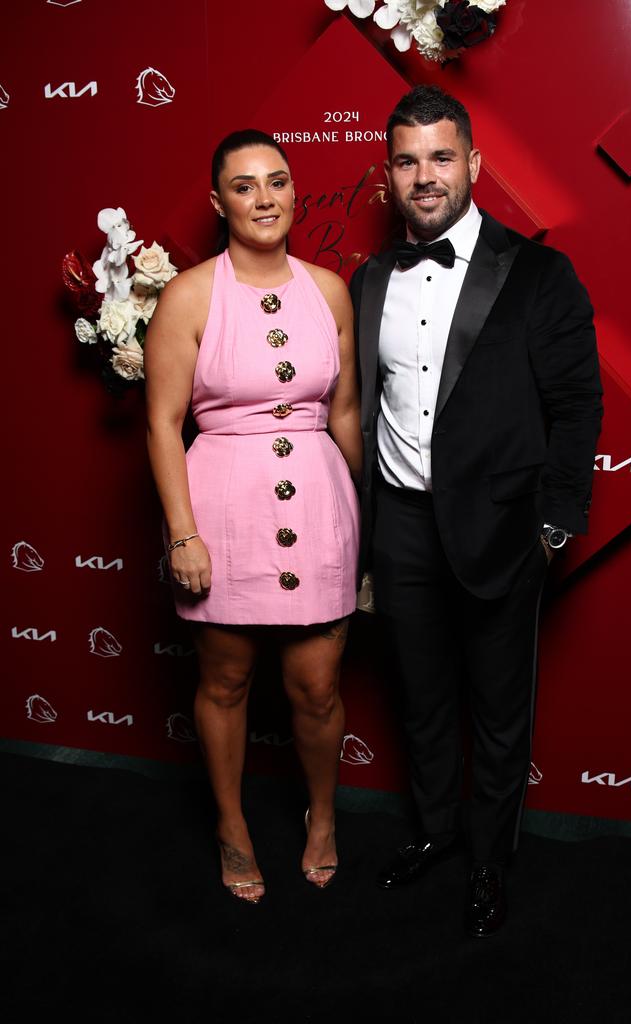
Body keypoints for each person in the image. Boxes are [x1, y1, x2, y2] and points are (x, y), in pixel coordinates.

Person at [350, 86, 602, 937]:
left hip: (503, 529)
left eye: (441, 157)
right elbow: (357, 402)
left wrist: (552, 525)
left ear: (474, 166)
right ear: (389, 175)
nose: (426, 176)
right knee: (421, 699)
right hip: (402, 528)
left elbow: (577, 405)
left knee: (499, 712)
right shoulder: (370, 278)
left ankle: (491, 860)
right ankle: (432, 833)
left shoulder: (538, 272)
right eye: (408, 160)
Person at [145, 129, 361, 903]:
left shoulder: (329, 290)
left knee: (318, 688)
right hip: (222, 510)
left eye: (277, 181)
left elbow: (343, 415)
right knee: (227, 680)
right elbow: (163, 423)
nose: (264, 198)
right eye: (244, 185)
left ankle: (324, 819)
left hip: (318, 499)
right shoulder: (189, 294)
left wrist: (372, 522)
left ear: (295, 192)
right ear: (217, 201)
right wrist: (182, 533)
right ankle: (232, 827)